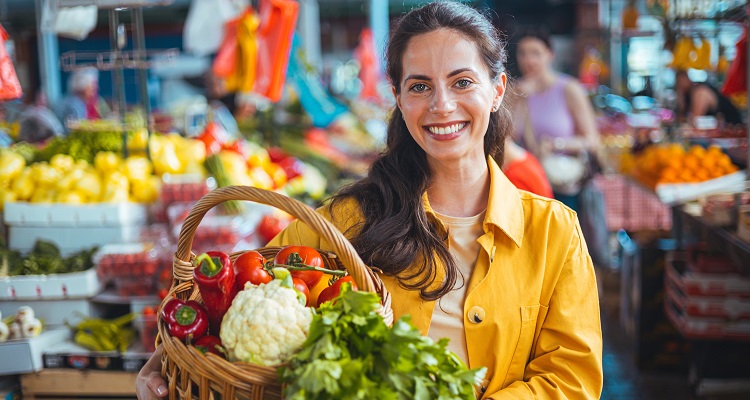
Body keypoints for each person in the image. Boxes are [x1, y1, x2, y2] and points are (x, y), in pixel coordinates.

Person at [137, 2, 603, 399]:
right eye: (420, 86)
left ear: (497, 90)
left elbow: (573, 380)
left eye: (463, 82)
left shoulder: (555, 232)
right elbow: (237, 290)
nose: (441, 105)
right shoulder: (347, 220)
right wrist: (163, 358)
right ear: (399, 98)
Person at [511, 27, 601, 211]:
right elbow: (508, 136)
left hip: (563, 182)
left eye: (536, 53)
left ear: (550, 55)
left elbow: (592, 141)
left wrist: (556, 144)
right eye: (523, 54)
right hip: (527, 183)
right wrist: (520, 100)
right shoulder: (514, 91)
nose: (529, 60)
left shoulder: (569, 89)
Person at [674, 69, 743, 125]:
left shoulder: (700, 91)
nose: (679, 83)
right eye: (677, 82)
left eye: (680, 80)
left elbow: (695, 119)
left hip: (733, 128)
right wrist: (680, 94)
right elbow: (681, 116)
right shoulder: (687, 95)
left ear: (687, 78)